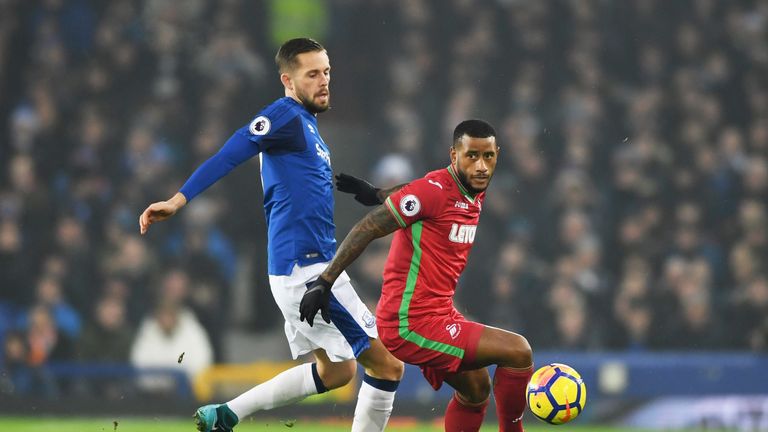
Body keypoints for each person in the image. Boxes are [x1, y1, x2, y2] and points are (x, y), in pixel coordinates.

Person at [138, 38, 403, 432]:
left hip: (303, 267)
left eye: (326, 72)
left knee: (337, 372)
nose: (324, 81)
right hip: (307, 271)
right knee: (387, 365)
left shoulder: (307, 128)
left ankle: (227, 414)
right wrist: (179, 199)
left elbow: (300, 187)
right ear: (288, 80)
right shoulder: (285, 115)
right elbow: (235, 147)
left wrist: (372, 193)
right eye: (312, 74)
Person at [301, 120, 534, 432]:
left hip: (438, 313)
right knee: (518, 351)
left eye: (488, 156)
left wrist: (378, 192)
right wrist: (325, 281)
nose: (481, 166)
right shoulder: (436, 192)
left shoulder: (469, 187)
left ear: (497, 155)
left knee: (476, 390)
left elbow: (413, 191)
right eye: (472, 156)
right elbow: (367, 227)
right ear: (454, 156)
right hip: (409, 321)